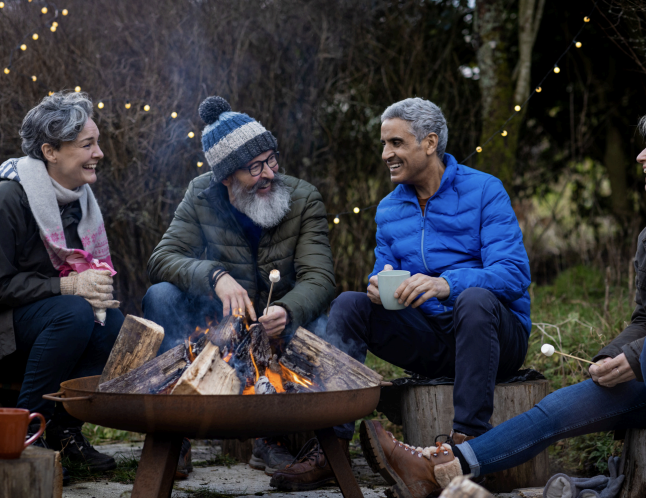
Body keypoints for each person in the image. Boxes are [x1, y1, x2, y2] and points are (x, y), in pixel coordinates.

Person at [360, 101, 646, 498]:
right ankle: (442, 466)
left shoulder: (482, 190)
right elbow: (644, 320)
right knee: (553, 411)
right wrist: (612, 356)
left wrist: (640, 353)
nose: (641, 156)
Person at [270, 97, 532, 490]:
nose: (385, 154)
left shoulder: (483, 191)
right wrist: (379, 286)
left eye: (395, 143)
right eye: (383, 144)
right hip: (431, 341)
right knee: (350, 305)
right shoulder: (390, 209)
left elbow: (513, 273)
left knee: (474, 299)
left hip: (494, 338)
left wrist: (447, 283)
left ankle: (470, 446)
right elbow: (384, 270)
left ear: (429, 143)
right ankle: (332, 446)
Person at [143, 96, 336, 479]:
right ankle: (174, 437)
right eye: (255, 167)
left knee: (326, 316)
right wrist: (214, 276)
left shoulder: (302, 198)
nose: (269, 173)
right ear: (227, 178)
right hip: (217, 323)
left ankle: (274, 438)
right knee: (160, 296)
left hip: (277, 324)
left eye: (271, 159)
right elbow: (161, 258)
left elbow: (320, 278)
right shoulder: (201, 195)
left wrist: (289, 309)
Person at [0, 91, 123, 473]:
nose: (99, 153)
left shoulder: (80, 201)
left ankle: (64, 431)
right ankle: (22, 431)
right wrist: (70, 287)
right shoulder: (9, 198)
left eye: (97, 142)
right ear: (50, 151)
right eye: (87, 145)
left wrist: (95, 288)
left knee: (113, 324)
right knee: (73, 312)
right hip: (9, 327)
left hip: (51, 323)